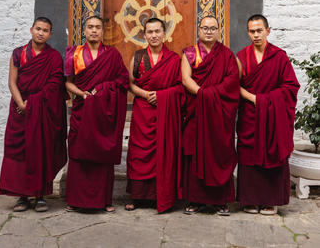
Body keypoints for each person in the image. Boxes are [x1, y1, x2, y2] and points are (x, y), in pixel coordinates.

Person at [0, 17, 67, 212]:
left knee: (40, 149)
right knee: (19, 150)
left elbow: (55, 84)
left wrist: (33, 102)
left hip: (42, 109)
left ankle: (40, 195)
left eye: (45, 30)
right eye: (38, 29)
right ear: (31, 30)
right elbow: (12, 81)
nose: (41, 33)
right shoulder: (18, 54)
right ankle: (22, 196)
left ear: (50, 34)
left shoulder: (53, 57)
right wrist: (21, 103)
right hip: (20, 110)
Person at [236, 14, 300, 215]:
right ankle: (250, 200)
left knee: (272, 152)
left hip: (273, 118)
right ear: (248, 32)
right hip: (249, 115)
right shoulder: (241, 57)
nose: (256, 35)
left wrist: (263, 101)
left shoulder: (279, 56)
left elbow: (290, 87)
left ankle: (270, 201)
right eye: (252, 31)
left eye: (259, 30)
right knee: (248, 154)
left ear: (268, 31)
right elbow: (233, 85)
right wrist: (253, 98)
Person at [65, 15, 129, 212]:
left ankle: (104, 201)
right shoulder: (73, 54)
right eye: (90, 27)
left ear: (103, 32)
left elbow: (123, 81)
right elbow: (67, 82)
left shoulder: (112, 54)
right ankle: (76, 200)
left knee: (102, 153)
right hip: (82, 110)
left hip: (104, 113)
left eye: (98, 27)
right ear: (84, 31)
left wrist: (104, 88)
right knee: (79, 152)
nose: (94, 30)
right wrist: (81, 94)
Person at [181, 15, 240, 216]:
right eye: (204, 28)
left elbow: (232, 81)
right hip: (197, 110)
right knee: (194, 152)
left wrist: (211, 96)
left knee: (219, 153)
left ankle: (220, 201)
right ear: (199, 30)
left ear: (218, 31)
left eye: (212, 28)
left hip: (219, 115)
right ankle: (195, 200)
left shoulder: (227, 55)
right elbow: (185, 78)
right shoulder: (190, 53)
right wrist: (202, 94)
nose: (208, 31)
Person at [126, 18, 184, 213]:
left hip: (164, 112)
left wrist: (160, 96)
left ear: (164, 33)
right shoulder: (138, 56)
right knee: (138, 152)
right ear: (144, 35)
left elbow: (180, 87)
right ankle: (137, 197)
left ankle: (160, 195)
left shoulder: (174, 59)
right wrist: (145, 94)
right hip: (143, 111)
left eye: (157, 31)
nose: (153, 35)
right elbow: (130, 83)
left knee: (162, 153)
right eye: (149, 32)